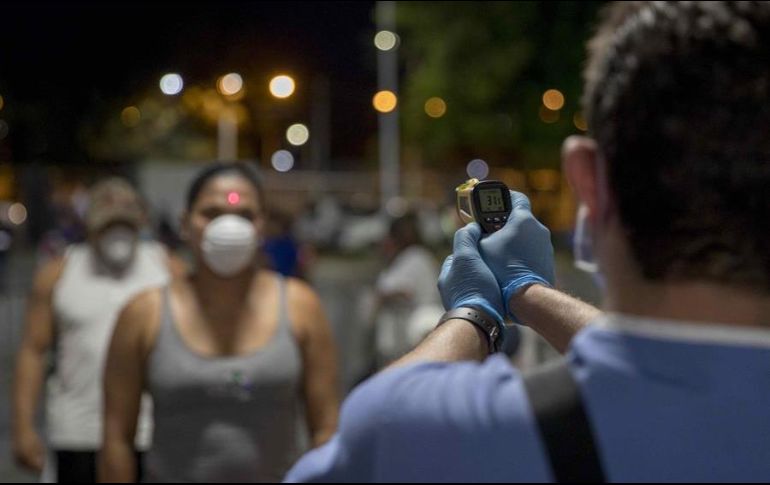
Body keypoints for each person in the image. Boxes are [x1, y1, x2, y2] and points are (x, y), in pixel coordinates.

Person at [285, 2, 770, 482]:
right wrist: (529, 293)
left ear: (585, 179)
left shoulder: (447, 434)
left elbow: (377, 423)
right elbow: (677, 365)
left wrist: (475, 314)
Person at [100, 161, 340, 482]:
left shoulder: (300, 306)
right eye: (212, 214)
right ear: (185, 224)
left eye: (245, 216)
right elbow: (116, 438)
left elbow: (326, 429)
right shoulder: (144, 313)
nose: (229, 228)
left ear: (262, 226)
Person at [12, 177, 180, 482]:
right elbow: (33, 352)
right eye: (107, 225)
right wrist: (23, 427)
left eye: (125, 224)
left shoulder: (168, 270)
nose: (117, 234)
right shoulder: (58, 274)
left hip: (150, 432)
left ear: (141, 222)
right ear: (90, 224)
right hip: (78, 432)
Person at [367, 212, 443, 370]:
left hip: (414, 331)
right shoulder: (407, 258)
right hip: (403, 335)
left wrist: (383, 296)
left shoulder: (415, 256)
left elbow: (402, 291)